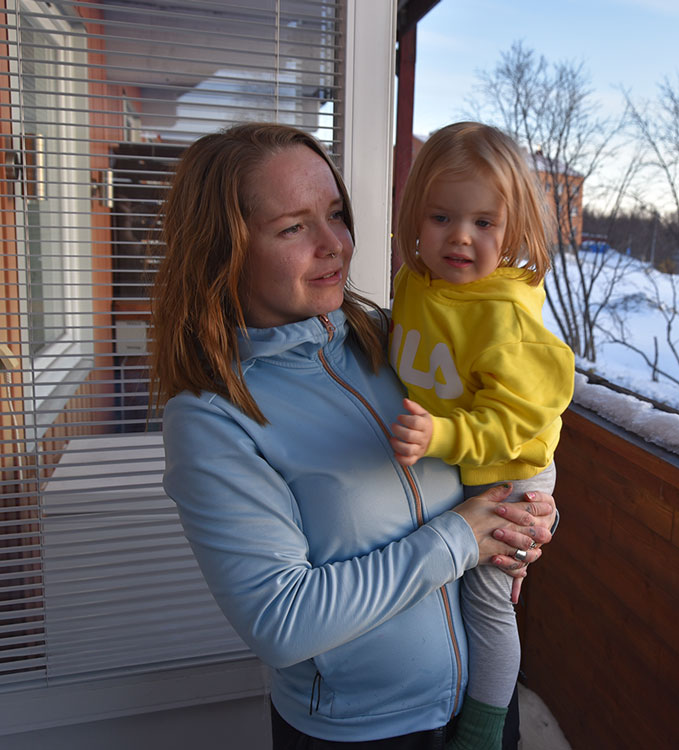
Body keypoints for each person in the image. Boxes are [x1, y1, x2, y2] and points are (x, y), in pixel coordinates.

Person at [150, 122, 557, 749]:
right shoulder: (212, 417)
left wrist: (524, 520)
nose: (334, 244)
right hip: (363, 734)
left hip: (479, 704)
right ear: (223, 249)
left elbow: (504, 434)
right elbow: (281, 621)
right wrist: (460, 539)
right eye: (293, 227)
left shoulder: (397, 342)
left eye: (336, 214)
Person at [387, 122, 575, 750]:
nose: (460, 237)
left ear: (513, 229)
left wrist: (439, 434)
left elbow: (510, 423)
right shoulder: (416, 286)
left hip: (508, 466)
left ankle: (484, 729)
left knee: (489, 599)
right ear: (415, 215)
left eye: (484, 223)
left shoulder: (505, 318)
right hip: (455, 460)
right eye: (441, 216)